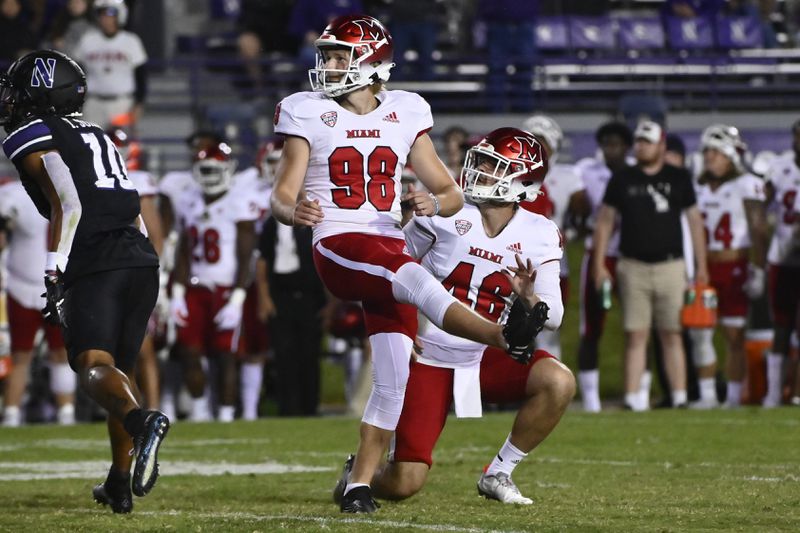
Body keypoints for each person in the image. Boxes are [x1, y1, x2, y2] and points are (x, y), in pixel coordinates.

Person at [270, 14, 550, 514]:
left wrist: (431, 205)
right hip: (338, 242)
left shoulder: (406, 109)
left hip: (386, 244)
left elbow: (450, 192)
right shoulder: (305, 111)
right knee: (414, 278)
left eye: (340, 56)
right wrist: (295, 211)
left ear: (372, 62)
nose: (329, 65)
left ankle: (357, 483)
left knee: (394, 378)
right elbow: (282, 195)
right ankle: (502, 336)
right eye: (327, 55)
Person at [355, 127, 574, 506]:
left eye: (494, 166)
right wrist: (399, 334)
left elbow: (553, 316)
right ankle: (361, 475)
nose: (480, 172)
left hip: (488, 354)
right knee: (403, 484)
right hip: (430, 357)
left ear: (522, 179)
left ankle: (499, 471)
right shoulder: (443, 214)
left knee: (559, 381)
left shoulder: (540, 232)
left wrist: (528, 298)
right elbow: (392, 273)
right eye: (482, 163)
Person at [0, 49, 168, 513]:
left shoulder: (31, 133)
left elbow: (68, 202)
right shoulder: (96, 132)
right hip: (139, 257)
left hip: (96, 258)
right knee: (119, 371)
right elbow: (131, 208)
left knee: (91, 363)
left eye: (16, 89)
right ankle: (118, 480)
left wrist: (54, 268)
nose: (9, 100)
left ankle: (141, 422)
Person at [593, 120, 709, 411]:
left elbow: (695, 223)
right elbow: (605, 222)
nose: (642, 146)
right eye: (640, 141)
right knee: (635, 334)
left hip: (671, 265)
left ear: (661, 145)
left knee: (672, 333)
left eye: (648, 141)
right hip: (632, 265)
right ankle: (632, 398)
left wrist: (701, 266)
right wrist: (598, 264)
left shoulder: (679, 176)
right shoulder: (623, 178)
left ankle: (680, 396)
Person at [170, 142, 259, 422]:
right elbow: (183, 249)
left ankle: (226, 413)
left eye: (213, 169)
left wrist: (237, 297)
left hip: (225, 287)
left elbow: (247, 255)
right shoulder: (188, 199)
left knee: (225, 356)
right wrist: (177, 291)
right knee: (189, 351)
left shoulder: (239, 201)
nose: (208, 175)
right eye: (204, 169)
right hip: (195, 288)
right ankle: (199, 410)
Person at [693, 125, 768, 408]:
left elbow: (758, 228)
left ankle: (734, 397)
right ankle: (708, 394)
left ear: (730, 156)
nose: (710, 157)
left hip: (733, 264)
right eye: (707, 152)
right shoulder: (698, 185)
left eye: (716, 152)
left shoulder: (747, 183)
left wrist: (758, 268)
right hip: (704, 267)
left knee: (734, 334)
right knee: (700, 332)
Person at [0, 177, 76, 427]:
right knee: (25, 355)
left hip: (54, 283)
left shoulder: (68, 189)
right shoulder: (14, 192)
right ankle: (12, 412)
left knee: (57, 354)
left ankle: (65, 411)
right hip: (27, 283)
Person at [574, 121, 632, 412]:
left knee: (637, 327)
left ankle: (638, 394)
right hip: (598, 254)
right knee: (592, 326)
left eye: (617, 143)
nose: (612, 149)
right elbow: (575, 207)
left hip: (633, 254)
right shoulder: (587, 172)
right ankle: (592, 401)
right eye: (607, 143)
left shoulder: (636, 172)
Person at [521, 114, 589, 358]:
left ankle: (551, 388)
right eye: (532, 141)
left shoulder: (568, 178)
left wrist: (567, 234)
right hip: (511, 261)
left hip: (550, 264)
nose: (537, 148)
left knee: (548, 332)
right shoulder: (510, 174)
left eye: (542, 142)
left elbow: (585, 219)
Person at [762, 120, 800, 407]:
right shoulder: (779, 167)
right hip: (783, 255)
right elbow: (760, 206)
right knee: (781, 325)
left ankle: (794, 391)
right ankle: (774, 393)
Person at [71, 0, 148, 129]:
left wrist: (139, 103)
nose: (106, 19)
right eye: (102, 15)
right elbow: (76, 72)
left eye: (110, 15)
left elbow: (141, 75)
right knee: (90, 145)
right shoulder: (88, 40)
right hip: (93, 102)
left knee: (122, 147)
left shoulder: (131, 41)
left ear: (120, 16)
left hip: (122, 103)